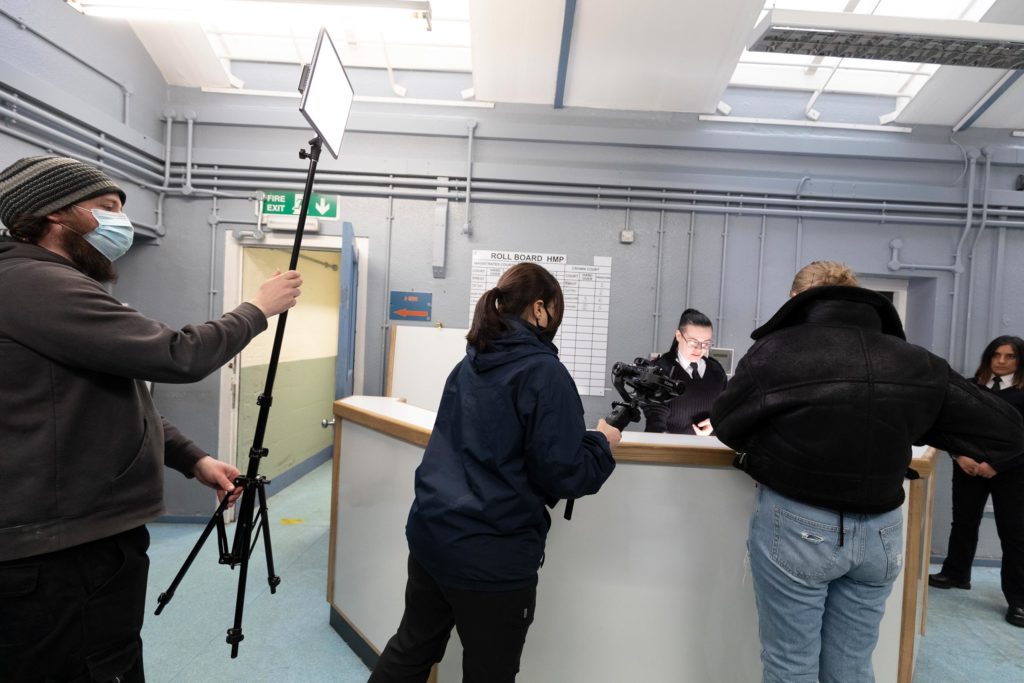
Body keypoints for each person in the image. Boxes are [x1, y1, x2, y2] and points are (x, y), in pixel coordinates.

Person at [0, 155, 302, 682]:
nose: (122, 223)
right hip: (60, 555)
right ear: (54, 215)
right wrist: (257, 309)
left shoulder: (42, 284)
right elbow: (177, 355)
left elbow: (115, 396)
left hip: (81, 541)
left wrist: (194, 460)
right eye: (107, 208)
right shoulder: (31, 283)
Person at [710, 260, 1024, 683]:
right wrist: (919, 421)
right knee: (852, 667)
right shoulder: (917, 361)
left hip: (798, 522)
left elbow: (727, 425)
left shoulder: (777, 351)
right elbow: (1007, 432)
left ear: (796, 300)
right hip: (883, 531)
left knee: (791, 664)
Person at [368, 262, 620, 683]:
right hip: (491, 559)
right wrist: (601, 445)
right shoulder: (544, 372)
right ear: (540, 310)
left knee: (412, 648)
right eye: (556, 310)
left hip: (432, 538)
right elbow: (564, 474)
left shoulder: (470, 362)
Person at [929, 335, 1024, 628]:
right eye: (996, 355)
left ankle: (1019, 600)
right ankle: (957, 573)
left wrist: (997, 465)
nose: (1001, 361)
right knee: (964, 522)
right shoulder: (970, 388)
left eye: (1010, 357)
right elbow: (949, 426)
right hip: (968, 468)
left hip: (1012, 471)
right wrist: (959, 456)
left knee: (1015, 533)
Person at [643, 308, 727, 435]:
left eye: (705, 344)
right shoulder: (661, 369)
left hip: (710, 450)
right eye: (693, 342)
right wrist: (661, 437)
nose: (699, 349)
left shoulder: (716, 370)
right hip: (673, 450)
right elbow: (655, 415)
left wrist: (716, 423)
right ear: (678, 336)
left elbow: (727, 407)